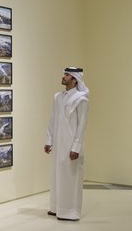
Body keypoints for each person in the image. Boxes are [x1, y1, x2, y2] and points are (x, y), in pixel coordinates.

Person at [44, 67, 90, 221]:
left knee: (70, 178)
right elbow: (52, 119)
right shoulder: (58, 97)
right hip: (58, 144)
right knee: (57, 176)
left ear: (75, 79)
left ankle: (70, 212)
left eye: (67, 75)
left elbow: (82, 126)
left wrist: (76, 147)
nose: (63, 77)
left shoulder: (81, 99)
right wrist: (49, 140)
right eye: (64, 74)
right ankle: (56, 208)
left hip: (71, 145)